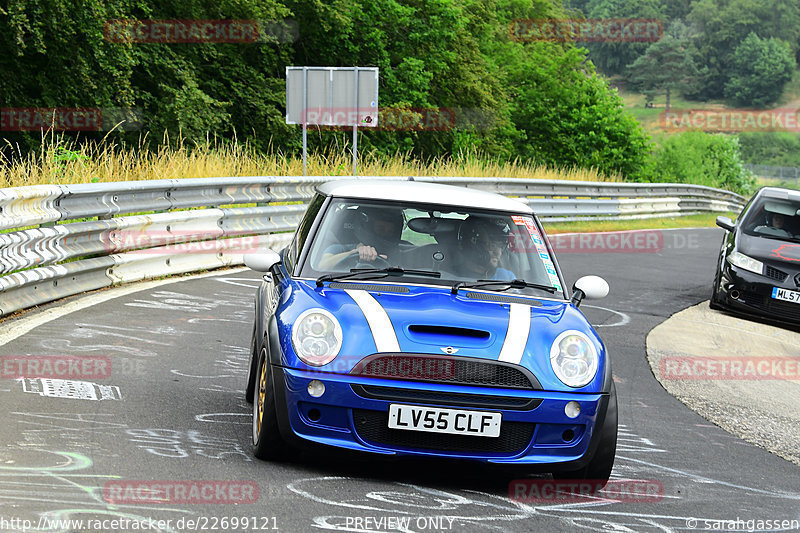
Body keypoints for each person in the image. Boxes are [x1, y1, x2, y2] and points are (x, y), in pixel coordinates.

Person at [318, 207, 404, 270]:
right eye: (381, 229)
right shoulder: (342, 248)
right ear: (369, 227)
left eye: (390, 232)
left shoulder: (402, 252)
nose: (385, 234)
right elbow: (322, 266)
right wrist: (355, 253)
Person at [457, 216, 516, 280]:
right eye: (492, 246)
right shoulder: (450, 277)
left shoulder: (507, 278)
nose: (498, 253)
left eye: (501, 247)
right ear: (471, 246)